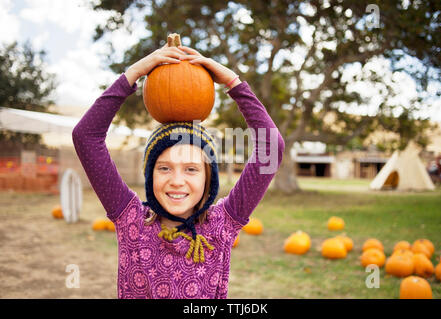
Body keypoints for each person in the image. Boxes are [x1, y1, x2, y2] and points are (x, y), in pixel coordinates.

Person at [72, 42, 285, 299]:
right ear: (150, 175)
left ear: (209, 178)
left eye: (191, 169)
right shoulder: (131, 220)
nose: (176, 181)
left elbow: (271, 147)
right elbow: (85, 137)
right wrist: (133, 73)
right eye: (164, 168)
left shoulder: (222, 224)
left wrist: (233, 82)